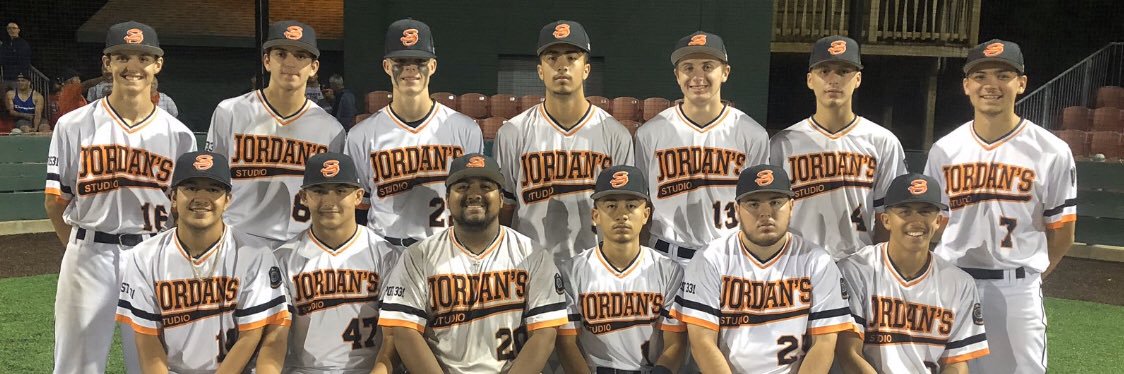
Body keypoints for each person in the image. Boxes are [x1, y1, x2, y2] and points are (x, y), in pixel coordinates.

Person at [45, 21, 197, 374]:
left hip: (153, 256)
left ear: (157, 65)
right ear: (107, 63)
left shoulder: (179, 135)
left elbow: (185, 214)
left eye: (144, 58)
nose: (133, 66)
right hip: (89, 254)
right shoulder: (74, 125)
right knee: (76, 365)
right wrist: (79, 248)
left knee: (152, 364)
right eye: (122, 57)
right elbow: (55, 201)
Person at [924, 39, 1077, 373]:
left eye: (1003, 76)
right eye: (980, 76)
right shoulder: (945, 149)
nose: (990, 85)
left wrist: (1028, 275)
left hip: (1016, 289)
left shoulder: (1051, 150)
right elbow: (937, 223)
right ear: (966, 85)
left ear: (1021, 83)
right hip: (952, 283)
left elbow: (1063, 233)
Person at [378, 153, 569, 373]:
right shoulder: (417, 256)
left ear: (501, 198)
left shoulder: (532, 255)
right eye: (463, 187)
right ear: (447, 199)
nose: (474, 194)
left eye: (486, 186)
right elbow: (405, 332)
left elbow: (544, 334)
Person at [116, 151, 291, 373]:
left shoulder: (255, 254)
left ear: (228, 200)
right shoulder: (144, 256)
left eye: (213, 189)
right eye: (190, 188)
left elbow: (250, 335)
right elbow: (147, 340)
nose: (201, 197)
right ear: (173, 198)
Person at [673, 164, 856, 373]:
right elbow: (702, 342)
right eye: (753, 204)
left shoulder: (818, 262)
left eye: (775, 202)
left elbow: (824, 344)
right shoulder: (709, 259)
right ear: (737, 210)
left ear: (791, 206)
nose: (765, 213)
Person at [493, 20, 634, 265]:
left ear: (586, 69)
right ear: (540, 71)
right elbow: (505, 209)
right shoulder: (512, 133)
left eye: (571, 57)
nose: (562, 66)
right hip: (529, 264)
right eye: (552, 58)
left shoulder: (615, 134)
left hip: (595, 265)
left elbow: (626, 212)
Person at [345, 18, 483, 250]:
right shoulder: (361, 135)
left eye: (420, 61)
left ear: (433, 66)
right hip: (383, 249)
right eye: (401, 61)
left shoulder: (465, 129)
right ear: (387, 66)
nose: (410, 69)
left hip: (445, 249)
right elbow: (360, 207)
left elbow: (473, 201)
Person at [206, 20, 346, 249]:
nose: (290, 63)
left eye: (300, 56)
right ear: (267, 61)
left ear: (313, 68)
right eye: (281, 54)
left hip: (300, 246)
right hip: (236, 241)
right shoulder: (230, 111)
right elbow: (213, 181)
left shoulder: (331, 129)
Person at [634, 31, 769, 265]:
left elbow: (759, 205)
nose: (698, 76)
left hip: (728, 259)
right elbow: (639, 203)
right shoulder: (650, 133)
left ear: (725, 72)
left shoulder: (752, 134)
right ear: (677, 75)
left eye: (707, 66)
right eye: (688, 68)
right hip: (665, 256)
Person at [769, 36, 907, 261]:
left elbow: (888, 217)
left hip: (860, 264)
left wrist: (880, 268)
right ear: (810, 80)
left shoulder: (883, 141)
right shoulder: (783, 143)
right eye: (824, 71)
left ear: (858, 79)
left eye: (843, 71)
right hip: (797, 263)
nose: (833, 79)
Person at [835, 173, 990, 373]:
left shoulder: (960, 283)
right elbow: (849, 353)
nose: (916, 221)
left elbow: (957, 362)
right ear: (886, 220)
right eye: (905, 212)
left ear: (938, 221)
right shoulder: (855, 270)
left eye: (925, 212)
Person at [268, 152, 400, 373]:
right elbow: (274, 338)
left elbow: (393, 337)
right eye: (319, 191)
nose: (329, 201)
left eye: (340, 191)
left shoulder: (386, 255)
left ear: (358, 196)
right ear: (303, 197)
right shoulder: (282, 258)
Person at [557, 165, 687, 374]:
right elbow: (566, 344)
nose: (622, 215)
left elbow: (675, 344)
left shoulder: (669, 270)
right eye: (611, 205)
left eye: (631, 205)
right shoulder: (571, 271)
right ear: (595, 215)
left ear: (646, 214)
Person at [1, 22, 31, 92]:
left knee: (18, 97)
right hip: (7, 77)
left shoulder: (23, 44)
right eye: (9, 28)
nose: (11, 30)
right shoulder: (5, 44)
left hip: (19, 79)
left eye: (14, 28)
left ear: (18, 30)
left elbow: (25, 62)